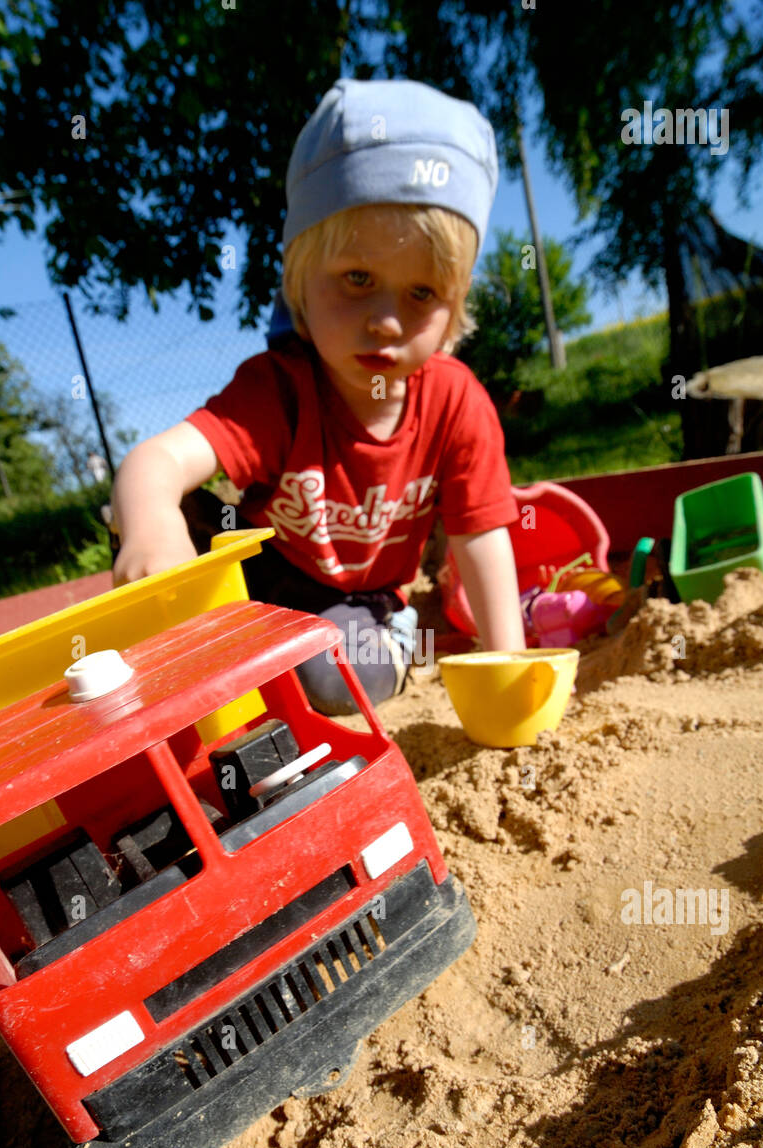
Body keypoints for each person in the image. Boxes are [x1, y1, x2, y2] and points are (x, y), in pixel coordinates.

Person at [111, 78, 525, 713]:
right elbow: (156, 461)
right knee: (155, 519)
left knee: (332, 679)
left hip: (358, 600)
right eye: (358, 278)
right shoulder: (279, 387)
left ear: (456, 303)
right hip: (267, 576)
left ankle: (394, 643)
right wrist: (151, 531)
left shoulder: (456, 402)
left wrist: (510, 670)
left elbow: (480, 536)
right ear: (299, 280)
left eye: (421, 294)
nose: (385, 320)